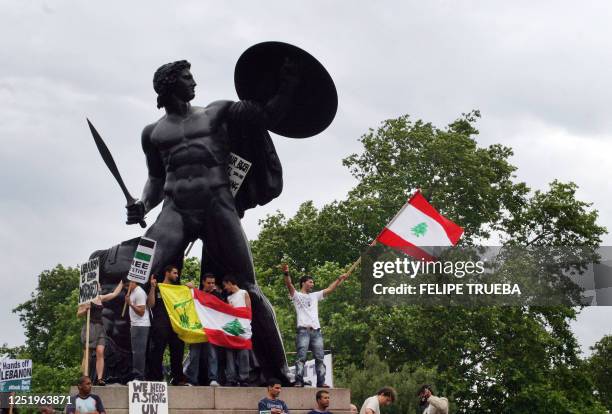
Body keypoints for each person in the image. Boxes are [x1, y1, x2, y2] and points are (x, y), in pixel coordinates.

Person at [124, 59, 299, 382]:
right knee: (137, 274)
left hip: (217, 206)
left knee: (248, 287)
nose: (194, 83)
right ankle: (132, 370)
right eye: (187, 78)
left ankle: (277, 370)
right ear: (170, 84)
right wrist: (142, 204)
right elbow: (156, 180)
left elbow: (266, 116)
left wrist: (288, 84)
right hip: (175, 211)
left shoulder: (215, 112)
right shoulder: (152, 133)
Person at [282, 264, 348, 387]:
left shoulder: (315, 296)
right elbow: (289, 285)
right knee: (301, 357)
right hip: (303, 330)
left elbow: (329, 289)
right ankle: (299, 381)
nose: (312, 284)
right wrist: (286, 273)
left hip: (316, 331)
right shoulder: (296, 296)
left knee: (320, 358)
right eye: (310, 282)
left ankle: (321, 382)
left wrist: (339, 279)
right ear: (303, 283)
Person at [76, 280, 124, 385]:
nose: (100, 286)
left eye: (99, 285)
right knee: (87, 354)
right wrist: (85, 309)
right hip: (90, 327)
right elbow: (78, 314)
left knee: (100, 352)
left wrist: (121, 282)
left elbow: (114, 294)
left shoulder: (100, 298)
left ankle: (100, 378)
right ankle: (84, 378)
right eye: (97, 285)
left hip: (100, 328)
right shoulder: (86, 299)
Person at [147, 266, 187, 385]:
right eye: (174, 273)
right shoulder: (158, 287)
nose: (176, 275)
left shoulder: (178, 289)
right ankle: (156, 378)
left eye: (177, 273)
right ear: (167, 273)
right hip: (160, 324)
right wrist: (153, 288)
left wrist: (188, 288)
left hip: (175, 324)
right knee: (157, 352)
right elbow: (150, 304)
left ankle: (178, 378)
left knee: (178, 352)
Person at [183, 273, 224, 385]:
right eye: (209, 283)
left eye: (213, 283)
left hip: (211, 330)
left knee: (212, 355)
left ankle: (213, 379)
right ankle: (192, 380)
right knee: (194, 355)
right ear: (203, 283)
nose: (211, 285)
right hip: (197, 329)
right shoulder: (196, 294)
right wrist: (188, 287)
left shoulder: (218, 296)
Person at [222, 274, 251, 386]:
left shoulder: (244, 293)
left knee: (243, 353)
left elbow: (249, 311)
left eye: (225, 285)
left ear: (230, 282)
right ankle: (231, 379)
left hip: (243, 327)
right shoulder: (229, 298)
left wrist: (247, 326)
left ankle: (244, 378)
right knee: (230, 354)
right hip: (232, 327)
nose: (225, 288)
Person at [124, 280, 150, 380]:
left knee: (139, 352)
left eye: (128, 284)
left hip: (141, 325)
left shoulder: (139, 292)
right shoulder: (133, 292)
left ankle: (139, 376)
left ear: (133, 282)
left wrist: (130, 303)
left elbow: (141, 312)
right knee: (136, 351)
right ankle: (137, 374)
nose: (127, 287)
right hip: (136, 325)